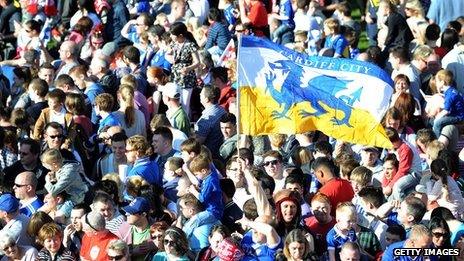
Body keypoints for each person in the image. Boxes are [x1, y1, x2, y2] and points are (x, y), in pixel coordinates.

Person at [168, 22, 200, 117]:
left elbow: (197, 62)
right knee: (176, 101)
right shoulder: (174, 44)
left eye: (173, 34)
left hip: (187, 78)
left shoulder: (190, 45)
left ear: (180, 35)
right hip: (176, 76)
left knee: (185, 104)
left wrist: (188, 68)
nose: (171, 36)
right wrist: (170, 58)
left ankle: (185, 123)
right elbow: (167, 53)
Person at [188, 154, 224, 220]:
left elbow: (203, 198)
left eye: (196, 174)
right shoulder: (210, 176)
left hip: (213, 211)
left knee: (195, 220)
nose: (196, 176)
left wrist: (194, 191)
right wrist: (199, 189)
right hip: (213, 210)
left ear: (204, 171)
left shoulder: (210, 181)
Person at [195, 85, 226, 157]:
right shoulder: (222, 110)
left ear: (206, 99)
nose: (199, 94)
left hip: (209, 156)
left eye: (201, 94)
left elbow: (198, 142)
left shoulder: (207, 119)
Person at [432, 69, 464, 138]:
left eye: (437, 81)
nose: (436, 83)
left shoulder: (450, 94)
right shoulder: (451, 90)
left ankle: (438, 142)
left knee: (437, 123)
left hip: (458, 116)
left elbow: (446, 111)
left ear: (442, 82)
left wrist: (437, 118)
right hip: (456, 113)